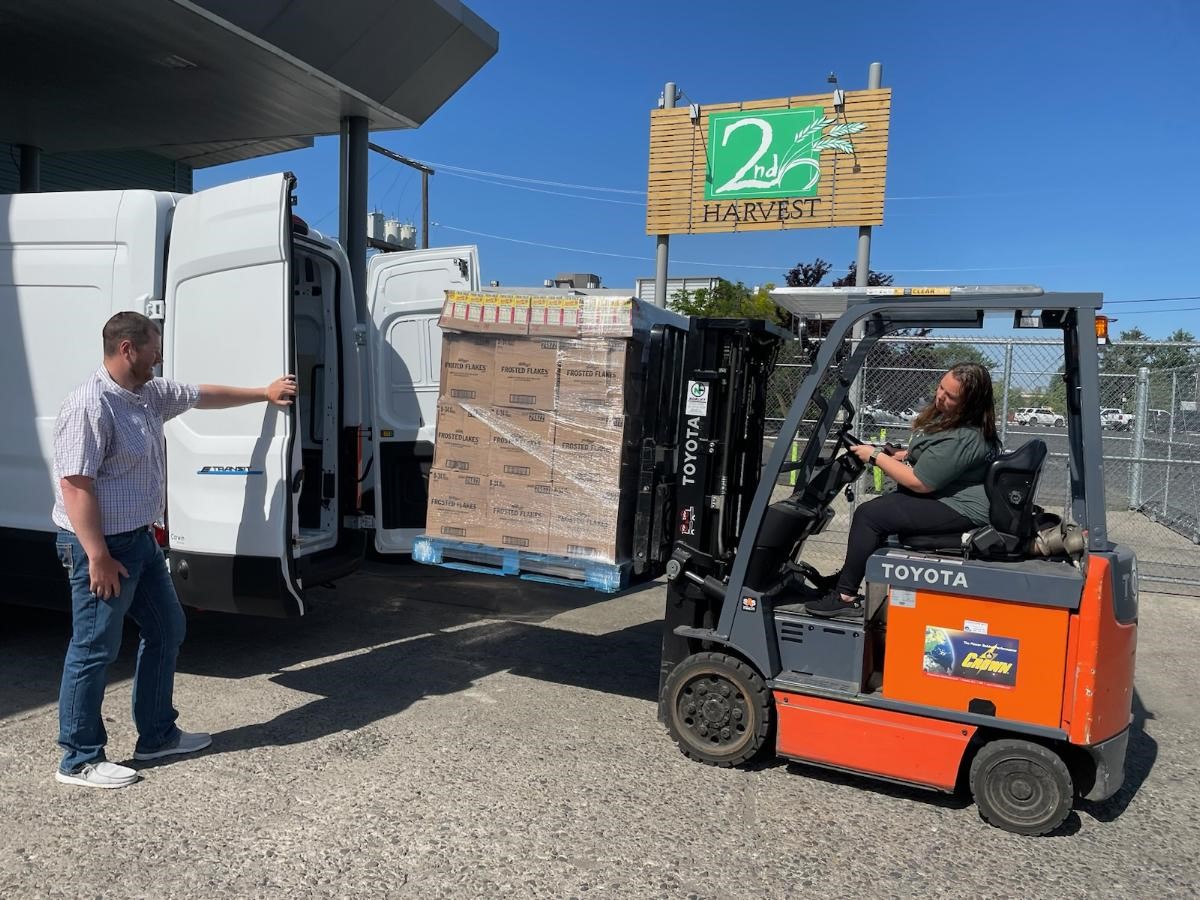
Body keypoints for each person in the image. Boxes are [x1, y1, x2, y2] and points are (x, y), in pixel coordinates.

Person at [52, 311, 297, 788]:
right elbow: (75, 486)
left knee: (168, 627)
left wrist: (262, 394)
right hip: (100, 545)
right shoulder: (90, 405)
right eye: (154, 347)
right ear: (128, 349)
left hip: (139, 539)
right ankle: (78, 759)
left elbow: (202, 395)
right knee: (93, 647)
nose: (159, 356)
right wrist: (98, 555)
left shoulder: (149, 394)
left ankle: (158, 735)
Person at [805, 362, 1000, 618]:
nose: (940, 396)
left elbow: (920, 482)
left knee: (869, 515)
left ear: (969, 403)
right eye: (941, 387)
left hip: (961, 508)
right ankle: (845, 578)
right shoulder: (954, 422)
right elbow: (936, 457)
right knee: (885, 508)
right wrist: (898, 454)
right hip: (946, 496)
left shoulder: (967, 436)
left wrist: (875, 456)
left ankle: (845, 596)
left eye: (950, 396)